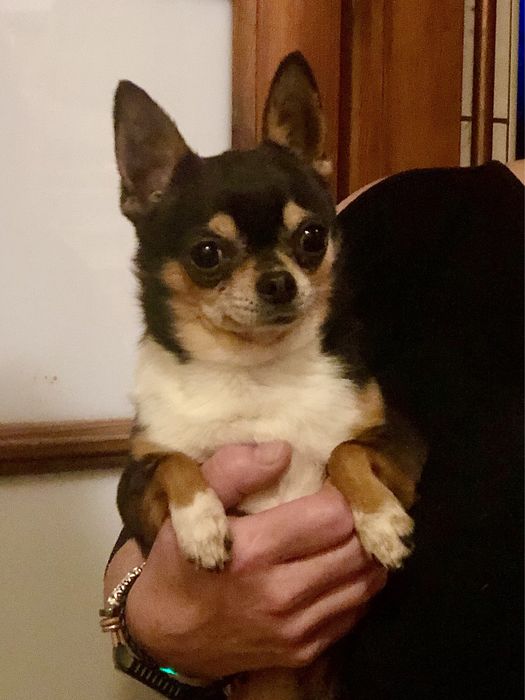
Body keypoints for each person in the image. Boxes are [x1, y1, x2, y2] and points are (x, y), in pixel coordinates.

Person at [104, 160, 524, 698]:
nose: (278, 278)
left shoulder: (344, 384)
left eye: (306, 242)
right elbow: (138, 555)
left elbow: (397, 449)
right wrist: (149, 627)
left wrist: (356, 476)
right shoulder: (424, 217)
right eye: (211, 256)